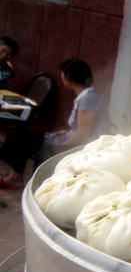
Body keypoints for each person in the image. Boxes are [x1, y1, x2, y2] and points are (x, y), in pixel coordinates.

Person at [0, 58, 103, 189]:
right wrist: (66, 133)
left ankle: (35, 185)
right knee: (20, 135)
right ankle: (15, 177)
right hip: (70, 137)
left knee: (38, 147)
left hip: (80, 144)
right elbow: (81, 127)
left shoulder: (88, 98)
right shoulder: (84, 96)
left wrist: (60, 147)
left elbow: (83, 134)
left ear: (67, 76)